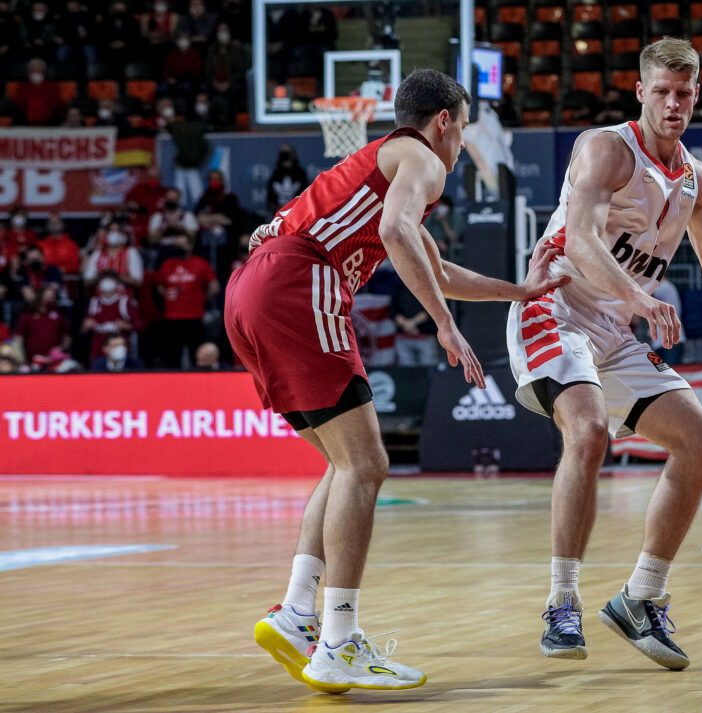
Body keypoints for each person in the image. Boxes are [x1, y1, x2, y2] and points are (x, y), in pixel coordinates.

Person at [228, 69, 567, 693]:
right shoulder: (422, 159)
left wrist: (521, 291)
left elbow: (437, 268)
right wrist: (445, 325)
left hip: (251, 289)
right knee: (367, 465)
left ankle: (298, 612)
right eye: (463, 129)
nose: (461, 144)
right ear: (443, 121)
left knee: (344, 464)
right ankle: (339, 642)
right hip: (298, 283)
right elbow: (396, 234)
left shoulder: (384, 169)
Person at [504, 39, 702, 669]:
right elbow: (582, 241)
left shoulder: (695, 179)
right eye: (662, 92)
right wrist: (639, 298)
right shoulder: (606, 149)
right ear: (640, 92)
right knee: (589, 431)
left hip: (614, 330)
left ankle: (641, 597)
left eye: (684, 93)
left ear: (697, 95)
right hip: (554, 310)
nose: (673, 104)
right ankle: (562, 601)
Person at [157, 231, 218, 368]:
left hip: (194, 316)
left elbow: (214, 286)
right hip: (172, 316)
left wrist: (201, 298)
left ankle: (199, 378)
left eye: (182, 244)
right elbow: (159, 285)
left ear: (190, 245)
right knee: (172, 355)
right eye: (177, 244)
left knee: (196, 353)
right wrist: (167, 295)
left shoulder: (200, 263)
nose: (179, 247)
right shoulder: (167, 264)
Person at [390, 281, 437, 366]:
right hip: (403, 337)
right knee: (406, 369)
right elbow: (393, 312)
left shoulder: (428, 286)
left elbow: (431, 311)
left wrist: (412, 323)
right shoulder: (399, 287)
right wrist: (407, 325)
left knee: (428, 368)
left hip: (425, 336)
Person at [267, 145, 309, 215]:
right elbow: (270, 198)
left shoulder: (300, 174)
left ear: (293, 155)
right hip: (278, 213)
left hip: (296, 212)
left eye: (288, 153)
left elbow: (304, 195)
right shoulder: (276, 174)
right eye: (283, 154)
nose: (285, 156)